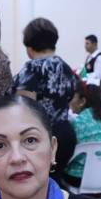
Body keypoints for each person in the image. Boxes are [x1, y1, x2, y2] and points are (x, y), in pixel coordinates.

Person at [13, 17, 78, 171]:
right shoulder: (66, 67)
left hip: (43, 137)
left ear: (29, 47)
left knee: (38, 182)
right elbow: (71, 97)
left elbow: (24, 105)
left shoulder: (32, 68)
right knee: (54, 179)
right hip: (66, 134)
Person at [65, 83, 101, 186]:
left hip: (80, 177)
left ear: (82, 101)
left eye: (73, 97)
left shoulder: (78, 122)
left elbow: (68, 154)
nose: (70, 101)